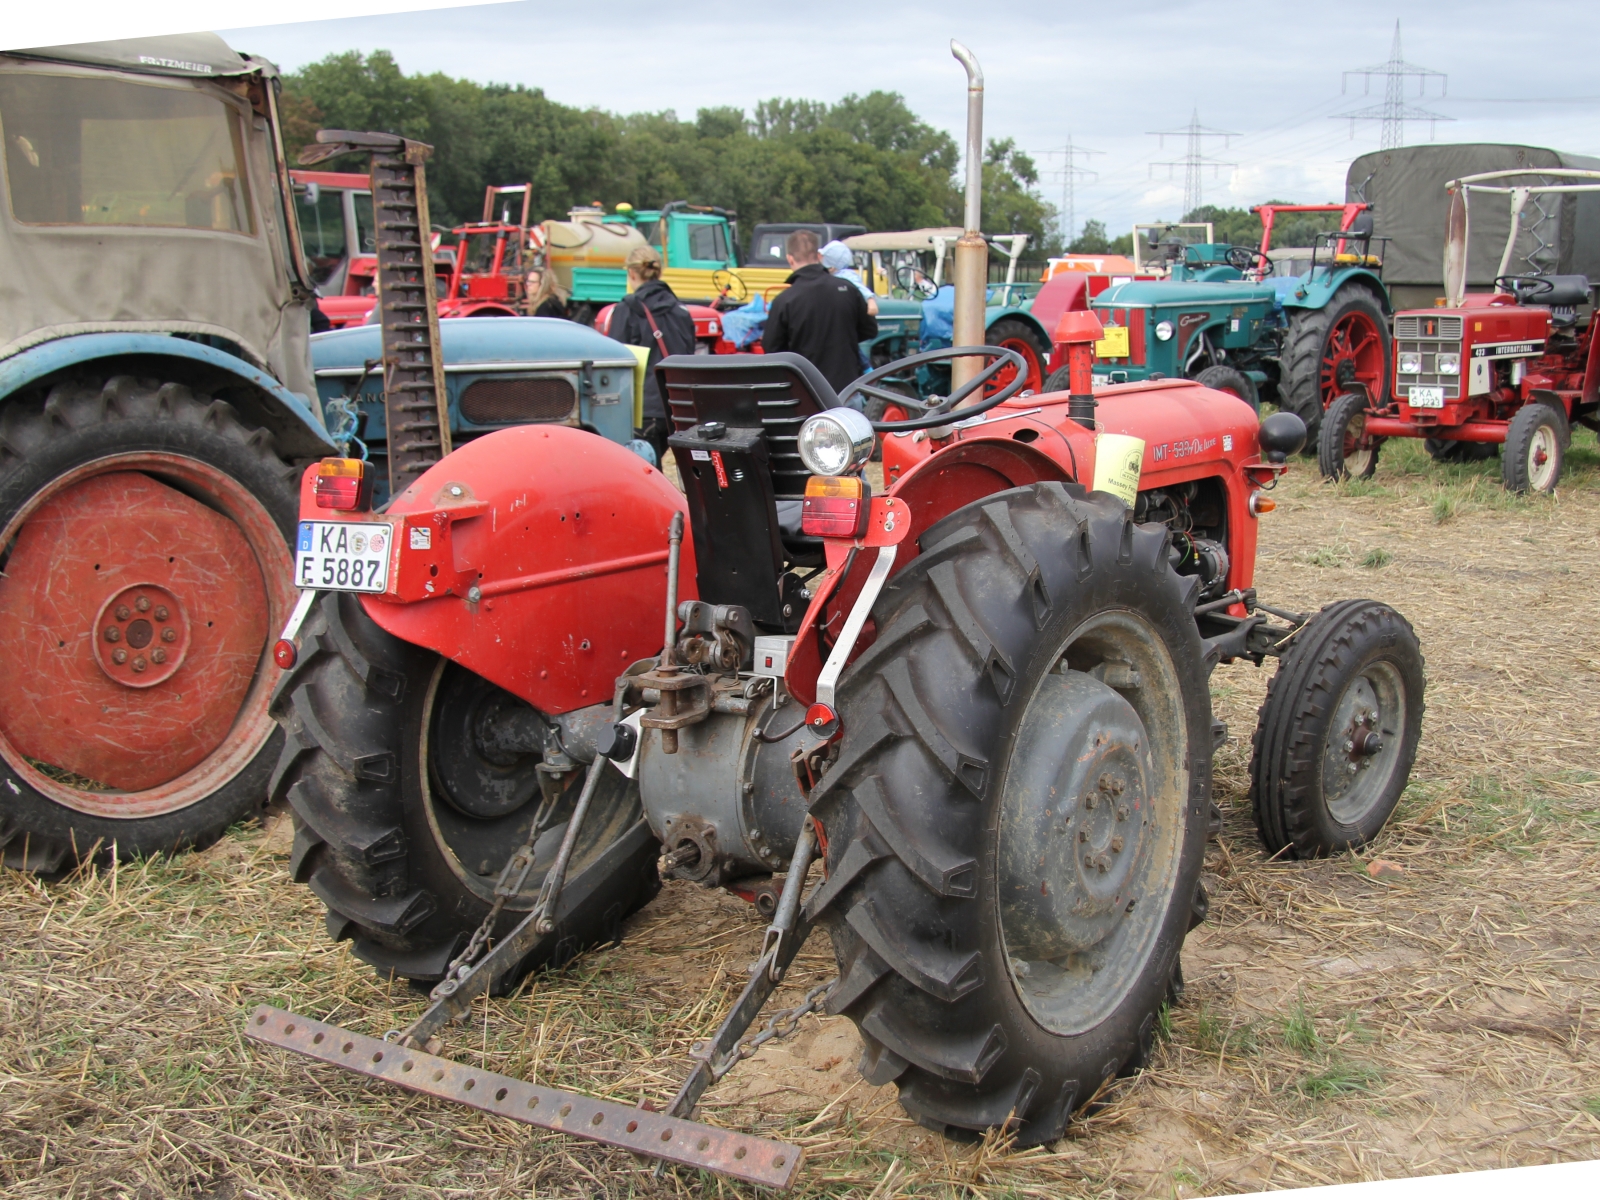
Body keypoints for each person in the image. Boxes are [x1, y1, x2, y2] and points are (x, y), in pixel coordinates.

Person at [763, 229, 877, 397]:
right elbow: (870, 330)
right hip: (847, 390)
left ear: (790, 259)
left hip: (807, 394)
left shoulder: (784, 300)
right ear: (818, 255)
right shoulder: (849, 290)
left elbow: (771, 348)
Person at [610, 244, 696, 463]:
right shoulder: (681, 311)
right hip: (677, 405)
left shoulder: (626, 310)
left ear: (631, 273)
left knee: (642, 472)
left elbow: (615, 360)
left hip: (643, 408)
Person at [820, 240, 879, 317]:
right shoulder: (827, 275)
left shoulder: (846, 276)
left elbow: (860, 287)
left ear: (831, 267)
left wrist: (870, 300)